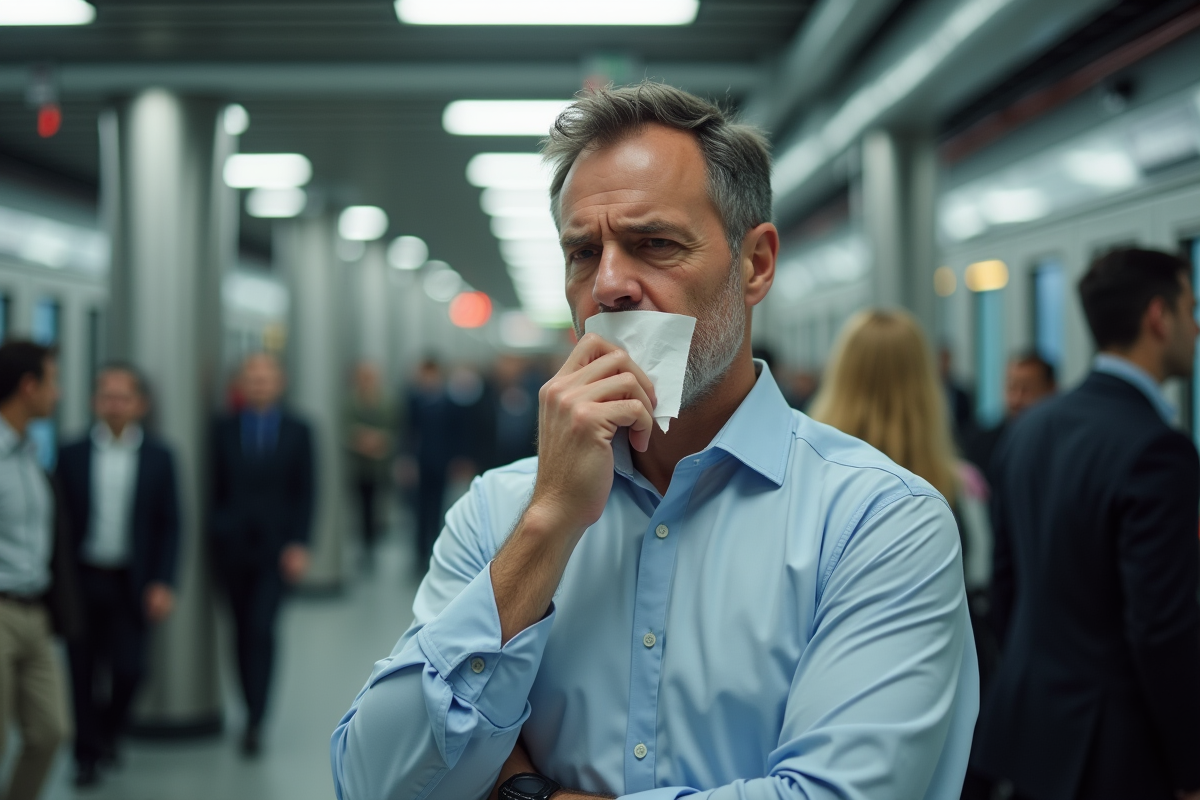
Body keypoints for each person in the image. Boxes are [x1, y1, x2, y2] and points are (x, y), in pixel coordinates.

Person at [332, 82, 977, 800]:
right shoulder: (501, 511)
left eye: (655, 244)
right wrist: (546, 525)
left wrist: (528, 795)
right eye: (583, 253)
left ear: (755, 264)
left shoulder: (876, 521)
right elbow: (372, 783)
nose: (610, 285)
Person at [971, 248, 1200, 800]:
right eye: (1191, 308)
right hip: (1118, 753)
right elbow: (1162, 629)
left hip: (1031, 737)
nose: (1197, 327)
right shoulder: (1158, 450)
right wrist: (1192, 768)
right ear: (1157, 318)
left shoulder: (1029, 430)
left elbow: (1007, 586)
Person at [56, 363, 180, 787]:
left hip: (134, 580)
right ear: (94, 401)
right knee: (81, 671)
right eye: (106, 395)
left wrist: (164, 582)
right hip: (82, 579)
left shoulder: (160, 457)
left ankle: (108, 731)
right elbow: (60, 525)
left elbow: (171, 523)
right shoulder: (69, 454)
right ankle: (85, 755)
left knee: (130, 670)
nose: (114, 403)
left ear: (140, 405)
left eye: (123, 396)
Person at [210, 353, 314, 757]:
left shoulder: (298, 430)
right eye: (251, 377)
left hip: (276, 550)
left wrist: (299, 543)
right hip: (231, 549)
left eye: (266, 377)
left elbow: (307, 490)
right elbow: (212, 484)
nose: (259, 384)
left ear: (280, 382)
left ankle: (257, 718)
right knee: (238, 632)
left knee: (261, 629)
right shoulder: (221, 428)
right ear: (240, 383)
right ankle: (246, 706)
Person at [0, 341, 79, 800]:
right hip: (2, 610)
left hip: (36, 614)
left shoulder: (29, 451)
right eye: (52, 381)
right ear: (28, 387)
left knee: (50, 732)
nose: (59, 392)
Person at [963, 351, 1056, 481]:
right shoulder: (980, 444)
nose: (1016, 399)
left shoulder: (1061, 446)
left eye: (1026, 389)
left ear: (1051, 389)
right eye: (1012, 387)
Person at [405, 358, 454, 571]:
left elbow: (456, 433)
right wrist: (407, 460)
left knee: (437, 508)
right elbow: (407, 432)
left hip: (441, 462)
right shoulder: (414, 401)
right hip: (420, 463)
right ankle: (419, 555)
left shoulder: (448, 402)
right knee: (419, 511)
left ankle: (434, 551)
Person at [345, 362, 394, 562]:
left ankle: (373, 540)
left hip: (379, 465)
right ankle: (364, 544)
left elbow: (395, 428)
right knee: (360, 505)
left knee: (376, 503)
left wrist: (380, 441)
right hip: (358, 466)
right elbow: (345, 426)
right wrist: (361, 440)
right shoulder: (350, 402)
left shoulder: (387, 402)